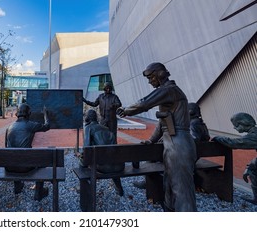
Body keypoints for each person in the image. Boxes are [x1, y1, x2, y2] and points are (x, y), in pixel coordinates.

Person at [116, 62, 197, 212]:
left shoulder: (169, 90)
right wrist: (152, 140)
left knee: (182, 191)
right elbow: (163, 123)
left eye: (151, 78)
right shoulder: (170, 93)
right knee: (170, 186)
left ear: (159, 74)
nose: (149, 81)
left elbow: (144, 103)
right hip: (173, 143)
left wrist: (126, 111)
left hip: (177, 144)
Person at [5, 103, 50, 201]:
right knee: (43, 160)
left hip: (9, 167)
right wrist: (45, 114)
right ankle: (39, 192)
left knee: (14, 156)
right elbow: (47, 126)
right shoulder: (30, 125)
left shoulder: (9, 127)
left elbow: (6, 147)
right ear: (29, 113)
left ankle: (18, 187)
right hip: (25, 167)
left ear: (17, 114)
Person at [211, 112, 257, 204]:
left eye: (236, 125)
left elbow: (234, 143)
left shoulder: (254, 136)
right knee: (252, 170)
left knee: (252, 170)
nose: (234, 128)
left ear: (243, 124)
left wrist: (218, 138)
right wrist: (250, 167)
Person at [80, 109, 124, 196]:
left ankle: (85, 187)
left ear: (88, 118)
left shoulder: (88, 128)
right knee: (112, 159)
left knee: (82, 161)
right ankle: (119, 188)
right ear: (96, 118)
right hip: (118, 166)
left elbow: (86, 149)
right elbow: (115, 148)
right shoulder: (107, 128)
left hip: (103, 167)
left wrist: (81, 155)